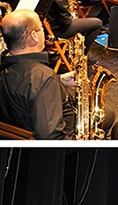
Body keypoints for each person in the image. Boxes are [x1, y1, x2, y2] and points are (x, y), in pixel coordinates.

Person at [0, 9, 76, 139]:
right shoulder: (43, 77)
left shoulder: (6, 65)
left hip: (15, 126)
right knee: (108, 115)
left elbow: (21, 84)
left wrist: (58, 80)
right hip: (64, 139)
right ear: (34, 36)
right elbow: (51, 138)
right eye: (41, 27)